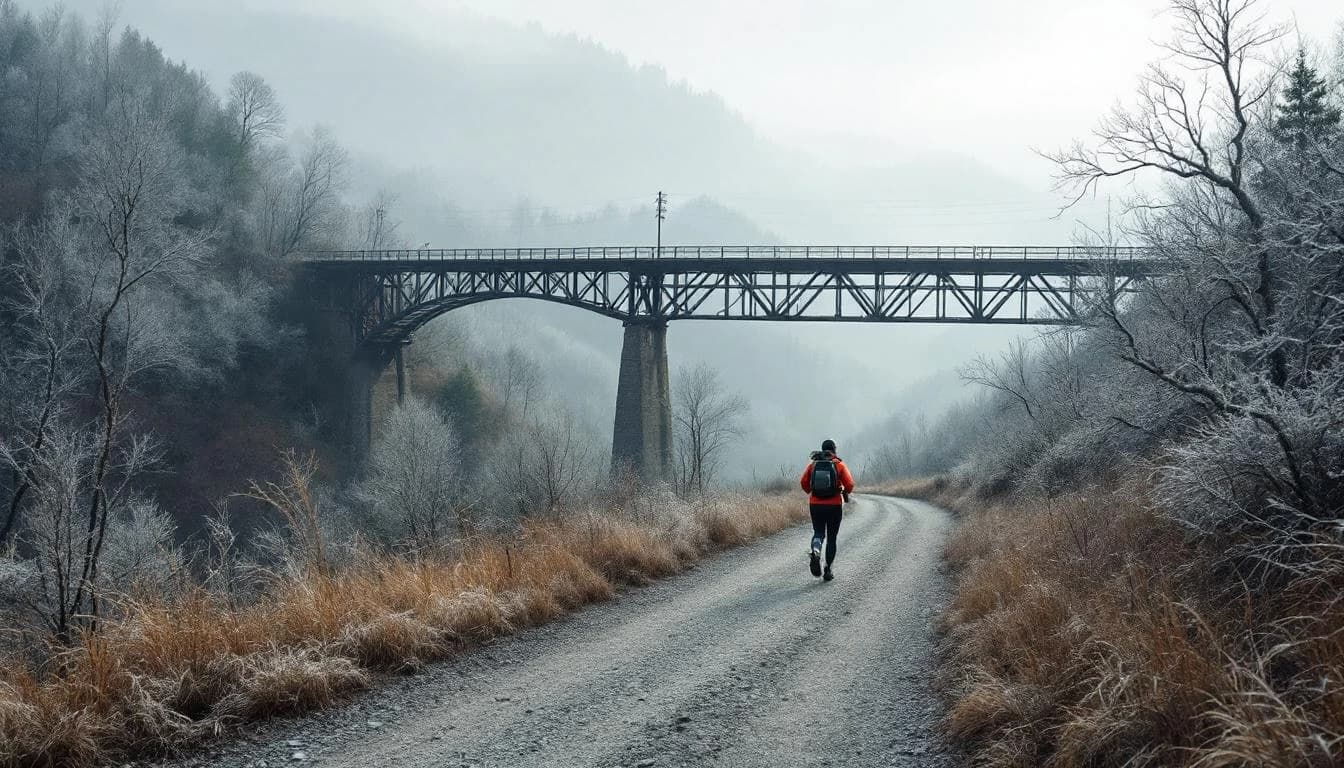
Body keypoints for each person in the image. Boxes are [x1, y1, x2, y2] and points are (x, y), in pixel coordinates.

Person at [799, 439, 855, 581]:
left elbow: (803, 483)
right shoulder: (839, 464)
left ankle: (816, 550)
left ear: (822, 449)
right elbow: (850, 485)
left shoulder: (813, 464)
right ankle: (828, 570)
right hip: (834, 506)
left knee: (818, 532)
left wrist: (812, 492)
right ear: (834, 450)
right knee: (831, 538)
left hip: (815, 505)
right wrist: (842, 490)